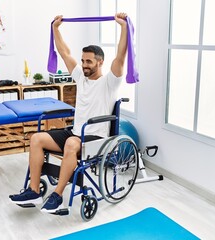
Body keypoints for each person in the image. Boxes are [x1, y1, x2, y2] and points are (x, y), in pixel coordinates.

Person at [9, 13, 128, 214]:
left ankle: (57, 196)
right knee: (36, 138)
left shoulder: (110, 81)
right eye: (83, 61)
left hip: (96, 138)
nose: (84, 65)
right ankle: (34, 190)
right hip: (76, 133)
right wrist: (56, 28)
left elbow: (121, 55)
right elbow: (64, 52)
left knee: (72, 144)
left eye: (89, 61)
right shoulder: (81, 76)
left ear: (100, 62)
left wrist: (124, 27)